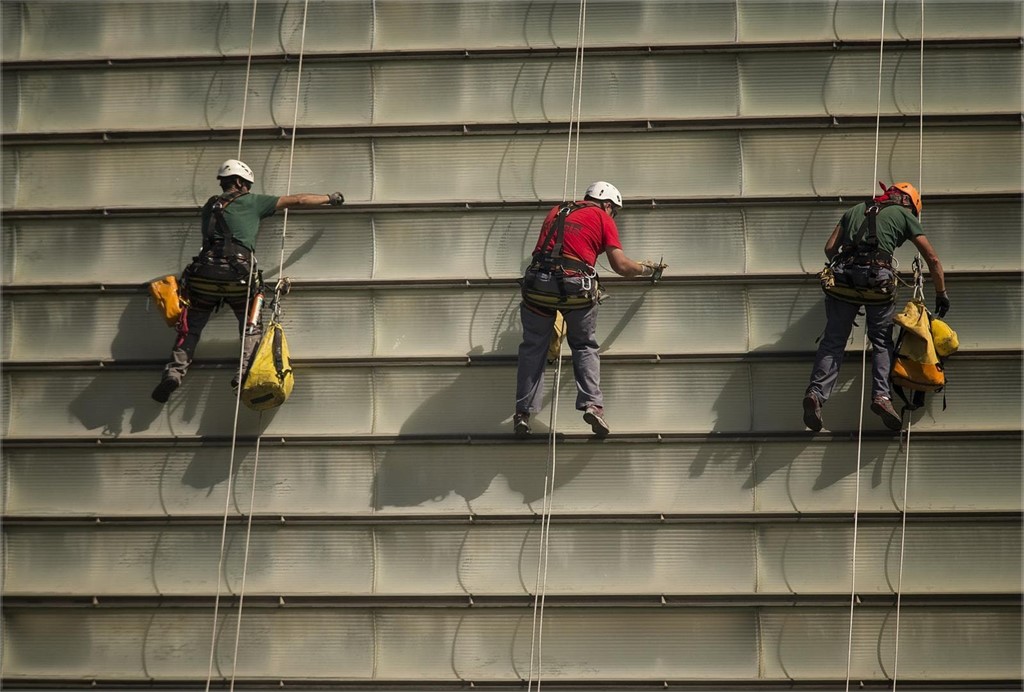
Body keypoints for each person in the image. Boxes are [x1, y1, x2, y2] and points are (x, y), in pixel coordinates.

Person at [151, 159, 344, 404]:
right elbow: (298, 200)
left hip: (203, 276)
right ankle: (243, 375)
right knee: (251, 325)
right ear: (241, 183)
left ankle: (174, 374)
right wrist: (330, 197)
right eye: (248, 185)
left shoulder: (209, 205)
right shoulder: (252, 202)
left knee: (190, 327)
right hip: (238, 276)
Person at [513, 181, 664, 437]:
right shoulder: (602, 217)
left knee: (533, 348)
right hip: (574, 287)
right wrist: (647, 269)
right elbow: (621, 267)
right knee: (583, 345)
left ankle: (523, 413)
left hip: (537, 286)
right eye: (613, 210)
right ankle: (593, 406)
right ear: (607, 204)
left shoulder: (556, 211)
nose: (612, 215)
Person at [803, 181, 948, 432]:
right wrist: (941, 293)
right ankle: (881, 397)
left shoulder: (855, 209)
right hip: (877, 282)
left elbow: (829, 248)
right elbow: (932, 258)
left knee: (833, 341)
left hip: (843, 280)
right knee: (881, 341)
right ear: (908, 202)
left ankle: (816, 394)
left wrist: (850, 269)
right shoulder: (904, 214)